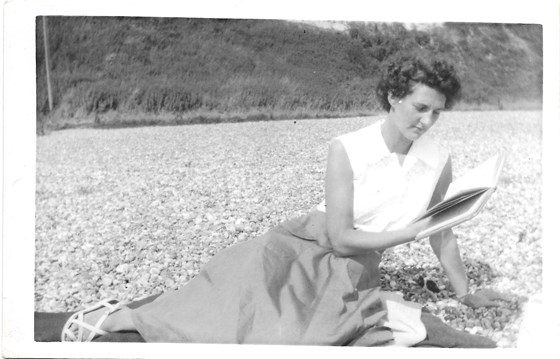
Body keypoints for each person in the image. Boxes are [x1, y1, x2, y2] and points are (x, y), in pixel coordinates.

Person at [35, 55, 507, 346]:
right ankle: (108, 319)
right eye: (419, 107)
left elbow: (441, 227)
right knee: (233, 321)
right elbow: (342, 237)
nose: (426, 121)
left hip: (356, 263)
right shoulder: (349, 148)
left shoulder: (437, 157)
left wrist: (464, 293)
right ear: (392, 97)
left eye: (437, 113)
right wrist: (409, 233)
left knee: (307, 333)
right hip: (305, 244)